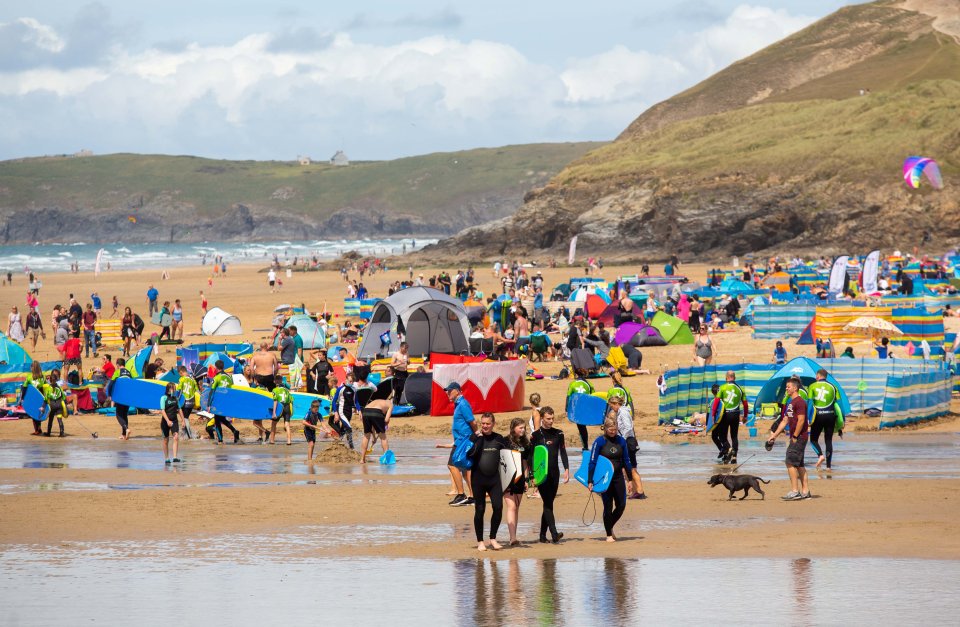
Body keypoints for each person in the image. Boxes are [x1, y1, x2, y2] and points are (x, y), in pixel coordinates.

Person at [589, 416, 632, 542]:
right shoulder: (599, 442)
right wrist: (590, 480)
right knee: (607, 506)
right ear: (605, 428)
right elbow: (592, 462)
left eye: (615, 429)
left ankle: (609, 525)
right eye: (610, 430)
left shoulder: (621, 441)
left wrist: (629, 480)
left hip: (618, 477)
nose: (613, 432)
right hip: (605, 479)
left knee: (621, 505)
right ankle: (608, 534)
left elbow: (626, 461)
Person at [767, 376, 811, 500]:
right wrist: (774, 436)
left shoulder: (800, 402)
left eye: (788, 386)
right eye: (786, 386)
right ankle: (805, 491)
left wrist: (795, 436)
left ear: (795, 388)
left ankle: (794, 491)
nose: (786, 388)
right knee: (800, 464)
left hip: (799, 437)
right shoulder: (790, 403)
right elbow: (785, 420)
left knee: (790, 462)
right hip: (795, 436)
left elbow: (802, 420)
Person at [469, 412, 507, 551]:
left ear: (493, 424)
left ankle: (493, 538)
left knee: (498, 507)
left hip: (494, 480)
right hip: (478, 479)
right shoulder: (475, 438)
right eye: (483, 423)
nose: (485, 426)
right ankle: (480, 541)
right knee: (480, 510)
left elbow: (508, 458)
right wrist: (474, 438)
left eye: (487, 423)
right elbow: (466, 453)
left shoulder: (499, 439)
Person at [530, 407, 568, 543]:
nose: (551, 421)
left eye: (552, 418)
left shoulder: (559, 433)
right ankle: (554, 533)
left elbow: (562, 452)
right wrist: (531, 476)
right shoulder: (535, 436)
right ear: (541, 418)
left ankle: (541, 535)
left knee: (549, 504)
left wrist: (567, 469)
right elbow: (531, 457)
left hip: (554, 473)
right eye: (548, 419)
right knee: (547, 503)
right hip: (541, 474)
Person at [608, 396, 646, 499]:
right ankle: (635, 491)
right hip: (628, 441)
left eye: (612, 406)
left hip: (628, 442)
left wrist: (622, 440)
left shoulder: (623, 412)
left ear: (616, 404)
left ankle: (640, 491)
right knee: (628, 468)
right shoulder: (621, 412)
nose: (611, 408)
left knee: (631, 468)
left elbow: (628, 428)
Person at [808, 369, 844, 470]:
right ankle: (828, 467)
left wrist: (808, 418)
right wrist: (841, 422)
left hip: (818, 416)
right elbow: (839, 406)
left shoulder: (812, 386)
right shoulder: (834, 387)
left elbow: (810, 404)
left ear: (818, 376)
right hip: (830, 416)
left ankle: (820, 455)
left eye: (816, 376)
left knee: (813, 440)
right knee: (828, 441)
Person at [446, 382, 475, 507]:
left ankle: (461, 494)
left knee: (452, 465)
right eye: (447, 391)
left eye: (450, 390)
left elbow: (472, 421)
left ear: (457, 391)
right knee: (465, 469)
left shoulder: (463, 404)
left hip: (464, 441)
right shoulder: (458, 404)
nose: (447, 393)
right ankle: (472, 496)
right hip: (460, 440)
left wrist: (476, 435)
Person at [503, 417, 531, 546]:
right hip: (508, 478)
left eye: (524, 428)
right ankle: (512, 537)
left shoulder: (525, 444)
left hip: (520, 479)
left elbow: (525, 462)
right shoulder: (505, 441)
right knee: (511, 507)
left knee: (517, 508)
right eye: (520, 427)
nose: (523, 430)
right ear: (513, 428)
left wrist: (526, 479)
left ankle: (514, 535)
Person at [715, 370, 748, 464]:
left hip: (725, 415)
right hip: (736, 415)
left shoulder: (722, 387)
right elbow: (745, 404)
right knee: (734, 436)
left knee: (722, 436)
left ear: (726, 378)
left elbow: (716, 402)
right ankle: (734, 457)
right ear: (735, 378)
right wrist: (745, 416)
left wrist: (713, 415)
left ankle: (729, 449)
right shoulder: (740, 388)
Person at [209, 360, 241, 444]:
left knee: (217, 420)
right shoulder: (229, 377)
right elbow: (231, 391)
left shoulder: (217, 377)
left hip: (218, 402)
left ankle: (220, 440)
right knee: (222, 419)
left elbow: (212, 391)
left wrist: (209, 404)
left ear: (216, 368)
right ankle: (234, 431)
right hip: (226, 402)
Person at [566, 369, 595, 450]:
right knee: (583, 427)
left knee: (581, 428)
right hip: (586, 409)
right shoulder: (589, 384)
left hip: (577, 409)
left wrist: (566, 409)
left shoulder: (572, 384)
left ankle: (585, 446)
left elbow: (569, 397)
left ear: (576, 375)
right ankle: (585, 446)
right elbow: (593, 397)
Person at [360, 397, 392, 464]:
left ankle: (362, 459)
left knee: (366, 435)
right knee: (383, 437)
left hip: (365, 412)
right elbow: (386, 420)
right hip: (377, 412)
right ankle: (387, 459)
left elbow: (373, 426)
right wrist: (384, 425)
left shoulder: (375, 401)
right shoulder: (390, 404)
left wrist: (374, 437)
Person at [159, 382, 185, 464]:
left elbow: (179, 409)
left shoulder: (176, 398)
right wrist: (167, 421)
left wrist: (183, 420)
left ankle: (175, 457)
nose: (175, 390)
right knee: (166, 440)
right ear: (169, 389)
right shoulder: (163, 398)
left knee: (176, 437)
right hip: (165, 421)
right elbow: (162, 410)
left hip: (174, 421)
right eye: (174, 388)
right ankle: (167, 458)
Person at [330, 372, 356, 450]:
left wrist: (359, 410)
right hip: (341, 411)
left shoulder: (354, 389)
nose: (350, 383)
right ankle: (352, 448)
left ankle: (337, 446)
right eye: (349, 381)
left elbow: (356, 401)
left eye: (352, 381)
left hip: (349, 412)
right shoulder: (340, 389)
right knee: (349, 428)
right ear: (346, 379)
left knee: (343, 429)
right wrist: (336, 413)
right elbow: (334, 401)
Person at [42, 369, 69, 437]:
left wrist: (43, 407)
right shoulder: (59, 388)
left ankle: (48, 433)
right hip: (59, 405)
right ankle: (62, 433)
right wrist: (65, 406)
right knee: (59, 419)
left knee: (51, 419)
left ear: (50, 380)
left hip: (52, 405)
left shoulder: (48, 388)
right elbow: (63, 397)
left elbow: (46, 398)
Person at [110, 358, 133, 440]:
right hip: (128, 396)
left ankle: (126, 429)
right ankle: (124, 434)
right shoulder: (129, 373)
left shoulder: (117, 372)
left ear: (117, 365)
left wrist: (109, 393)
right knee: (124, 414)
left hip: (121, 396)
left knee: (118, 414)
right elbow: (132, 384)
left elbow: (111, 383)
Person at [269, 376, 294, 445]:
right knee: (287, 425)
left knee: (274, 424)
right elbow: (291, 401)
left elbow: (275, 401)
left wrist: (274, 413)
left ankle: (272, 440)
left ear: (275, 382)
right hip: (287, 407)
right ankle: (289, 441)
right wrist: (291, 412)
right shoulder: (287, 390)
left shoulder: (275, 390)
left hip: (279, 407)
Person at [176, 365, 199, 439]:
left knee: (184, 419)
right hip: (191, 402)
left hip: (184, 402)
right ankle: (184, 433)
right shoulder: (193, 380)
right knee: (185, 418)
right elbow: (197, 391)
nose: (179, 375)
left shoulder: (181, 379)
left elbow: (179, 391)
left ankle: (190, 436)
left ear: (181, 372)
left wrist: (176, 401)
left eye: (179, 374)